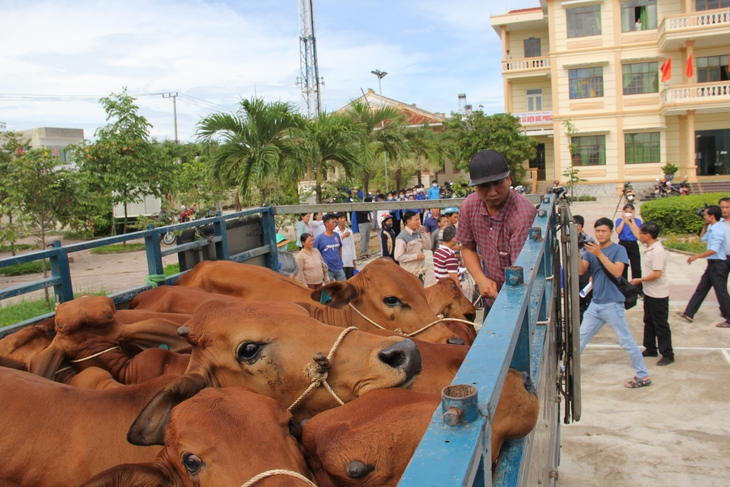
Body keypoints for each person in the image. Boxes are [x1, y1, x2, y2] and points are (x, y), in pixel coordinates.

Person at [456, 150, 537, 312]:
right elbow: (467, 247)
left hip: (522, 301)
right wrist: (481, 279)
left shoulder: (522, 216)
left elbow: (523, 275)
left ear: (508, 178)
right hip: (493, 300)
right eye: (484, 186)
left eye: (498, 183)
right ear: (474, 186)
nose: (492, 192)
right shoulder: (470, 206)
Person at [579, 217, 651, 389]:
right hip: (595, 304)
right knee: (579, 339)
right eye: (598, 231)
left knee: (626, 341)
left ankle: (643, 376)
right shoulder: (591, 251)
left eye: (604, 231)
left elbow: (618, 272)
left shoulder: (618, 250)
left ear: (611, 232)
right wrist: (575, 249)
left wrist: (599, 254)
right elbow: (580, 270)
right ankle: (566, 369)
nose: (600, 234)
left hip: (612, 304)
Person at [677, 205, 730, 328]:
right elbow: (702, 239)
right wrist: (705, 225)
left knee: (721, 292)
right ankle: (689, 313)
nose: (704, 216)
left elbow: (714, 250)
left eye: (706, 215)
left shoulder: (718, 230)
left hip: (718, 265)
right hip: (712, 264)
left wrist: (696, 256)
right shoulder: (712, 227)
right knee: (701, 289)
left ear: (712, 216)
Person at [631, 221, 674, 365]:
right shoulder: (649, 246)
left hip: (658, 294)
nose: (639, 236)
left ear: (648, 235)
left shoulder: (657, 251)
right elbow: (636, 232)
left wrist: (639, 280)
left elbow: (657, 274)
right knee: (648, 321)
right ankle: (650, 347)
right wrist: (627, 221)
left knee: (660, 324)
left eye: (641, 234)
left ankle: (667, 354)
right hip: (649, 293)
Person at [394, 210, 431, 276]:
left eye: (419, 219)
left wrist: (423, 233)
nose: (419, 222)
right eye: (416, 220)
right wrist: (416, 256)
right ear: (408, 222)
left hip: (421, 271)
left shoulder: (419, 232)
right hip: (410, 274)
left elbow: (428, 246)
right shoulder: (401, 237)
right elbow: (398, 256)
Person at [575, 214, 596, 322]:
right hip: (576, 272)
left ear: (579, 226)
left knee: (585, 299)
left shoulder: (588, 240)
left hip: (585, 274)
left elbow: (593, 259)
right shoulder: (573, 239)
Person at [615, 204, 642, 289]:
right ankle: (623, 287)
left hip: (633, 244)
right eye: (626, 212)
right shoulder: (619, 220)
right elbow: (618, 231)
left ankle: (638, 288)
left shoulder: (637, 221)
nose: (628, 214)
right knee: (623, 267)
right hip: (623, 243)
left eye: (630, 212)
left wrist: (632, 220)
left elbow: (638, 234)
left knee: (636, 267)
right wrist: (624, 220)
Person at [314, 213, 346, 282]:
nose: (335, 224)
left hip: (338, 267)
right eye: (333, 222)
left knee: (344, 287)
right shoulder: (319, 239)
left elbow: (339, 248)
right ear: (326, 223)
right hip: (327, 270)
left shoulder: (337, 235)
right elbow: (315, 253)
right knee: (329, 290)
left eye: (335, 222)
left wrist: (340, 260)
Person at [335, 212, 357, 279]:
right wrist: (343, 236)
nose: (343, 220)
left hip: (349, 259)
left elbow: (352, 246)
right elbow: (336, 244)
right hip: (341, 260)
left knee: (350, 278)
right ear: (337, 220)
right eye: (341, 218)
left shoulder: (349, 231)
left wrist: (354, 261)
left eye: (344, 218)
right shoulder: (335, 232)